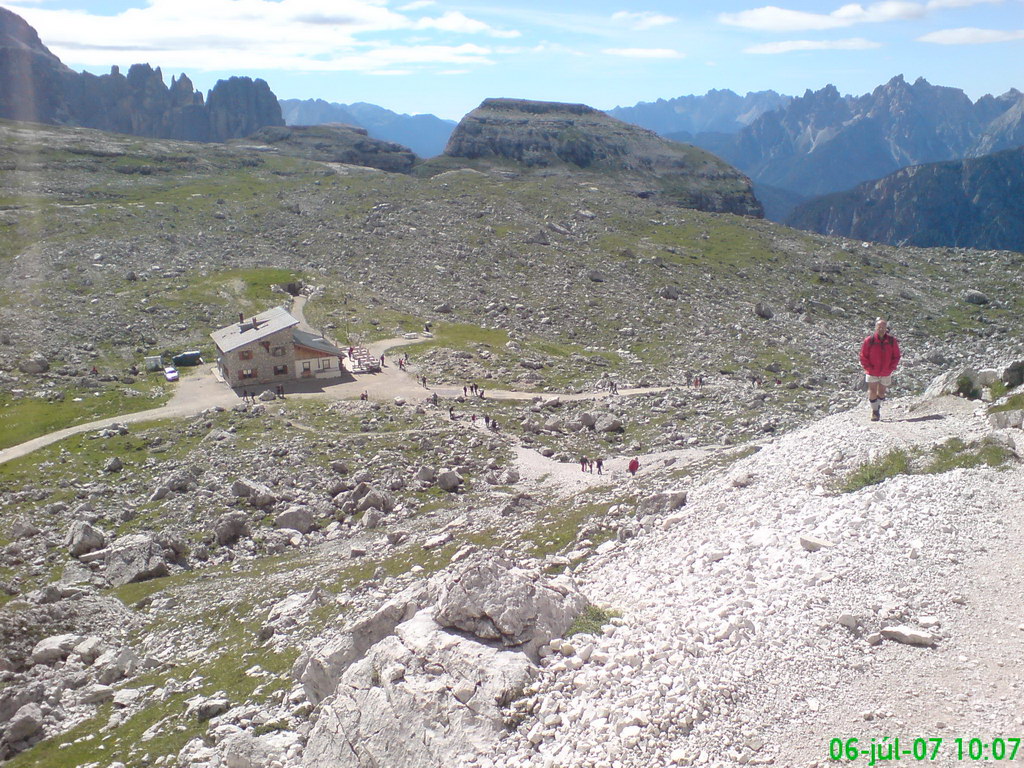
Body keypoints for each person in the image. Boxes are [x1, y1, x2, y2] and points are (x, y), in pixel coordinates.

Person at [859, 317, 901, 422]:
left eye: (883, 326)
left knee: (881, 393)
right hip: (872, 371)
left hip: (886, 371)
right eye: (879, 326)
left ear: (886, 328)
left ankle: (877, 406)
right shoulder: (869, 340)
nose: (881, 328)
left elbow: (896, 356)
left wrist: (891, 368)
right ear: (875, 328)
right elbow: (863, 356)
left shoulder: (892, 341)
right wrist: (868, 368)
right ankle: (875, 412)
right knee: (872, 391)